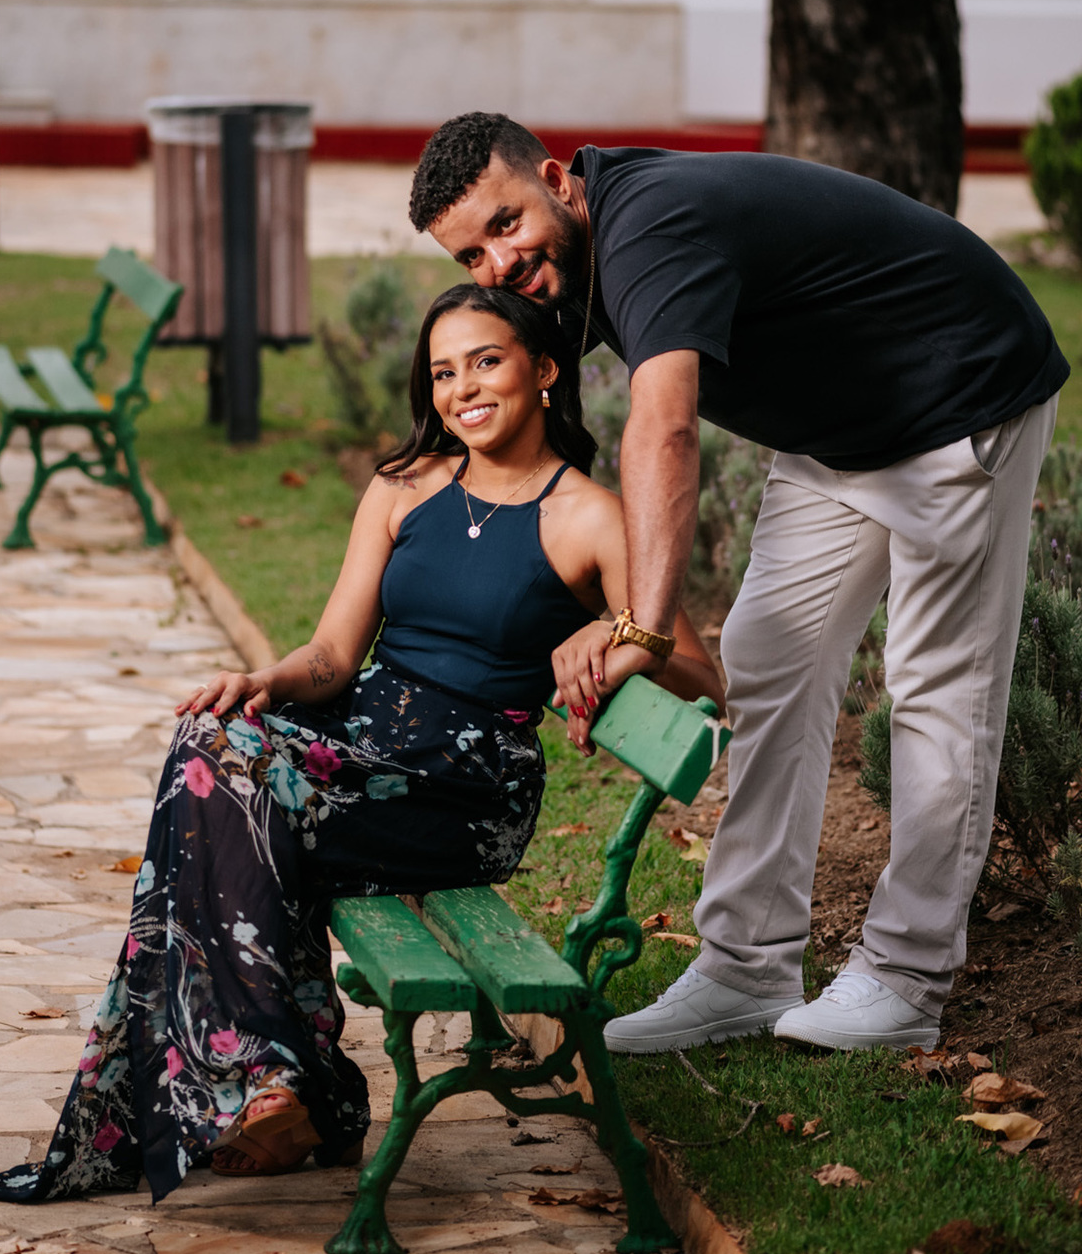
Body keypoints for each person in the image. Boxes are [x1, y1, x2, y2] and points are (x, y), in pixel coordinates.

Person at [0, 282, 720, 1207]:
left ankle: (282, 1080)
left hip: (464, 783)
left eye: (485, 362)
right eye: (443, 372)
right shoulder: (405, 486)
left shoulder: (590, 516)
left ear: (543, 371)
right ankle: (287, 1085)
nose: (462, 389)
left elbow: (703, 675)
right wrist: (263, 681)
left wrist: (616, 632)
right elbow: (334, 655)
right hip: (359, 743)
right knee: (211, 740)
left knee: (229, 788)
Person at [409, 111, 1068, 1056]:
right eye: (471, 254)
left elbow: (665, 428)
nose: (498, 264)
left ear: (556, 179)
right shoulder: (563, 264)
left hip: (957, 392)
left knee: (936, 690)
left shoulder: (647, 227)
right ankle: (745, 966)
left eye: (505, 225)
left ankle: (905, 979)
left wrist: (639, 627)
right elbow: (531, 418)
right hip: (837, 433)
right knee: (767, 657)